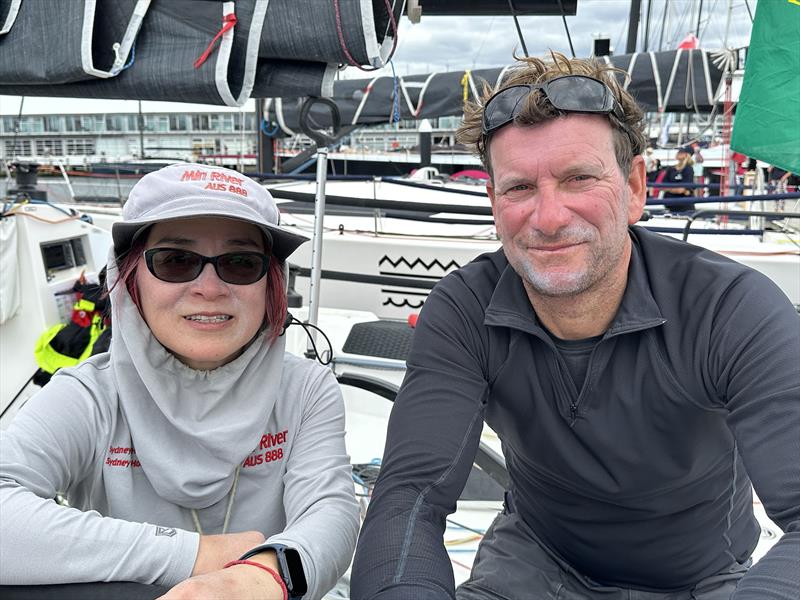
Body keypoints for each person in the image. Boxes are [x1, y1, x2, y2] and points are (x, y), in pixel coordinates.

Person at [350, 53, 799, 600]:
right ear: (494, 203)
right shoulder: (464, 311)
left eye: (579, 178)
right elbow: (410, 495)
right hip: (535, 560)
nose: (550, 217)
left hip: (701, 578)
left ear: (635, 187)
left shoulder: (729, 309)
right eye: (519, 188)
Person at [0, 163, 360, 599]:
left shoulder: (306, 390)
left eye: (241, 262)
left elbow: (330, 509)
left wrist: (265, 576)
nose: (209, 288)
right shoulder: (90, 395)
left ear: (271, 285)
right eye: (176, 261)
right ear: (130, 280)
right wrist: (194, 555)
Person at [661, 146, 695, 211]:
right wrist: (677, 190)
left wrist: (669, 189)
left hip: (684, 206)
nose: (678, 153)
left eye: (681, 152)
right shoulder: (671, 169)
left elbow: (681, 190)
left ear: (687, 155)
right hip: (669, 204)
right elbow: (663, 186)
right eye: (678, 151)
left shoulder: (688, 169)